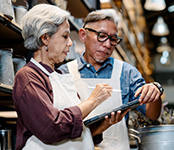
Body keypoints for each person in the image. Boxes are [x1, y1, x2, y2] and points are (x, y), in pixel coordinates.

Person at [12, 4, 129, 150]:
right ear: (45, 38)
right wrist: (93, 101)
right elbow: (51, 128)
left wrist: (106, 124)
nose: (70, 43)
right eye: (65, 36)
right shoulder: (28, 77)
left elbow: (77, 131)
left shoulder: (61, 76)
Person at [59, 9, 163, 150]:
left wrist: (155, 93)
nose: (107, 45)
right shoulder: (65, 73)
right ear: (83, 35)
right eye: (101, 36)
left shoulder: (127, 73)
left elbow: (152, 114)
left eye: (113, 39)